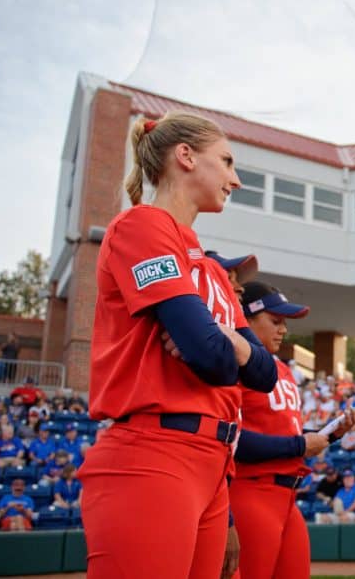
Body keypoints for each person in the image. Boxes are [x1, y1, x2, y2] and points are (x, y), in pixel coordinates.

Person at [78, 112, 279, 578]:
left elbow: (264, 376)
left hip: (212, 465)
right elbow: (211, 358)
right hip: (152, 452)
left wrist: (234, 348)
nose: (236, 178)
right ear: (185, 157)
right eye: (227, 161)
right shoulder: (141, 226)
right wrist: (224, 349)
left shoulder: (210, 270)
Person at [229, 280, 355, 579]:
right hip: (250, 491)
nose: (283, 329)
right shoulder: (230, 364)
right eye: (274, 321)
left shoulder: (283, 370)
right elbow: (231, 439)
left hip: (287, 498)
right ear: (244, 319)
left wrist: (332, 433)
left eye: (284, 322)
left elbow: (284, 432)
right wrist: (300, 446)